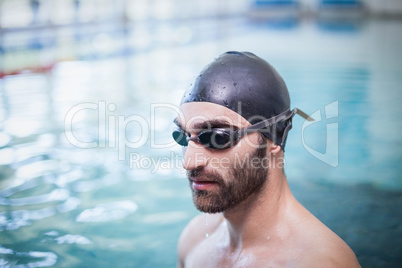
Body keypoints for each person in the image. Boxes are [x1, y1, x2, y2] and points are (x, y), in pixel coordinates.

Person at [173, 51, 360, 267]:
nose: (189, 161)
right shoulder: (194, 242)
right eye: (182, 136)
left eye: (217, 137)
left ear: (275, 137)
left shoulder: (320, 262)